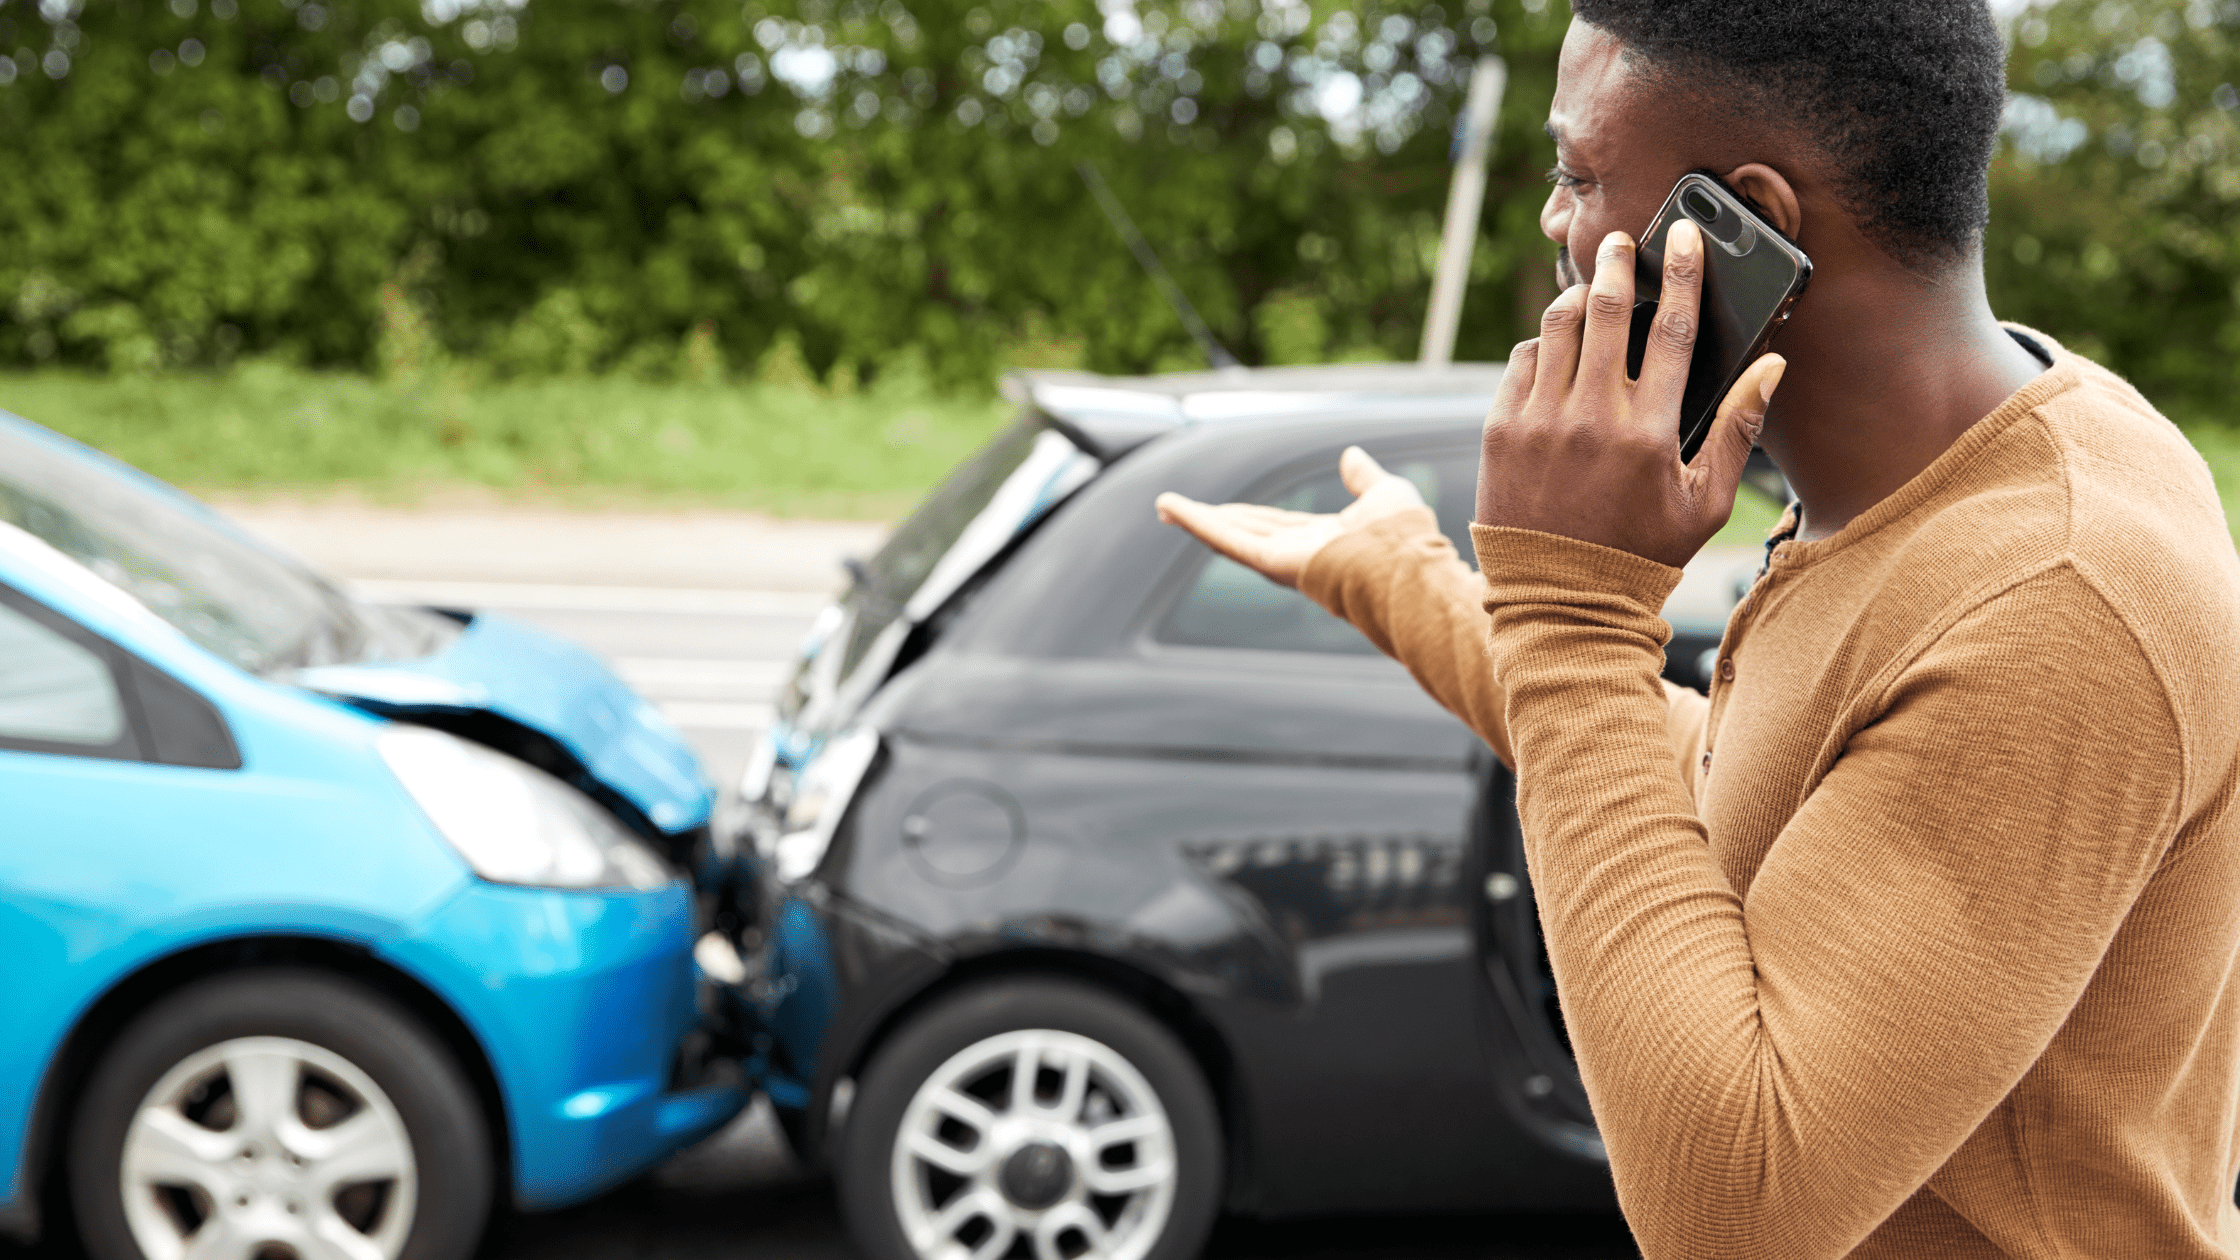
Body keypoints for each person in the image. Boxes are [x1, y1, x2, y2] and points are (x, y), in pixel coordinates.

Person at [1156, 3, 2240, 1256]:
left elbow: (1732, 1208)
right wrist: (1412, 586)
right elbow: (1755, 795)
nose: (1555, 224)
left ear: (1743, 226)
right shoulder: (1983, 466)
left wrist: (1572, 611)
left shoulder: (2057, 598)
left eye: (1575, 175)